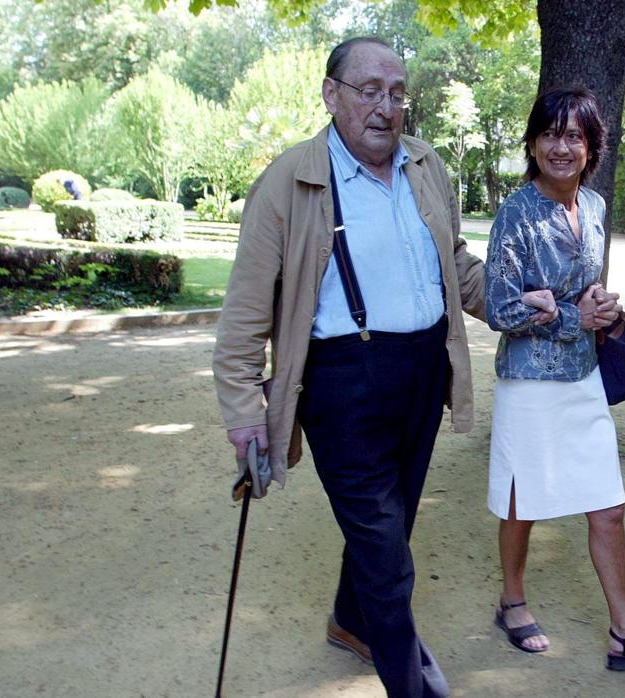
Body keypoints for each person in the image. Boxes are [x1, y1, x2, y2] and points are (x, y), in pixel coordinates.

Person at [211, 36, 485, 698]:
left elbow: (454, 264)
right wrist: (246, 414)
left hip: (423, 371)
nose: (385, 107)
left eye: (396, 93)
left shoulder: (426, 165)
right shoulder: (289, 180)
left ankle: (350, 620)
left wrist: (510, 298)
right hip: (339, 383)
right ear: (331, 94)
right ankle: (410, 682)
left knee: (390, 523)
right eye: (369, 90)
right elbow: (245, 314)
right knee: (387, 554)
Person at [483, 86, 625, 673]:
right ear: (533, 142)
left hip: (583, 377)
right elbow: (500, 307)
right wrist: (571, 315)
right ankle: (512, 600)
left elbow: (579, 286)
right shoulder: (515, 214)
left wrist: (594, 304)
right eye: (550, 133)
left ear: (591, 145)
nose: (561, 146)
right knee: (522, 502)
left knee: (609, 506)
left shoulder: (594, 208)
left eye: (574, 135)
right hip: (529, 382)